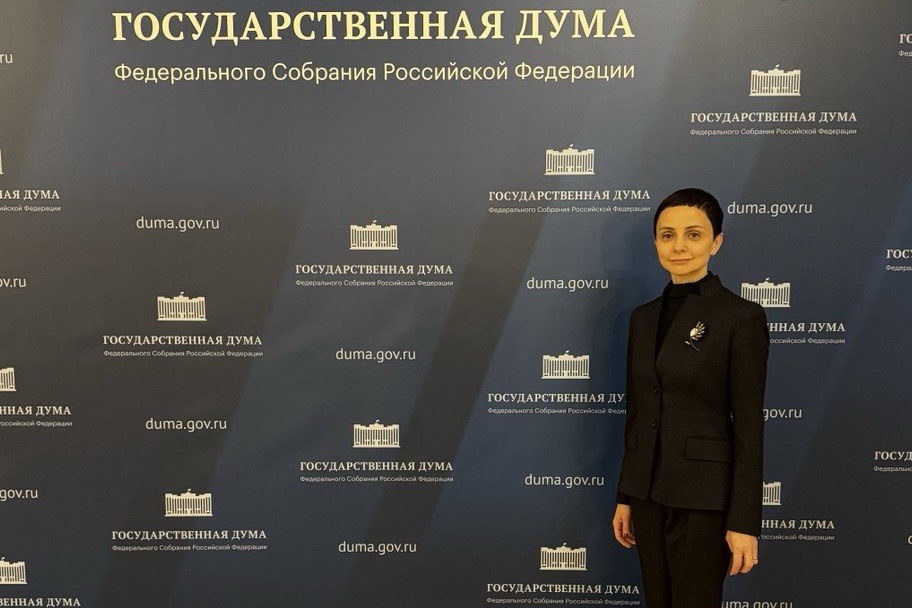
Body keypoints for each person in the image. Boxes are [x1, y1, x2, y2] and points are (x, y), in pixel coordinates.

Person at [611, 188, 770, 608]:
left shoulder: (740, 317)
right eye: (667, 235)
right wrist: (626, 494)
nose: (679, 246)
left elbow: (749, 426)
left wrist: (744, 520)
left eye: (693, 234)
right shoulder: (642, 318)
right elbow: (638, 413)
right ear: (656, 242)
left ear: (716, 242)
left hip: (704, 498)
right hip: (646, 494)